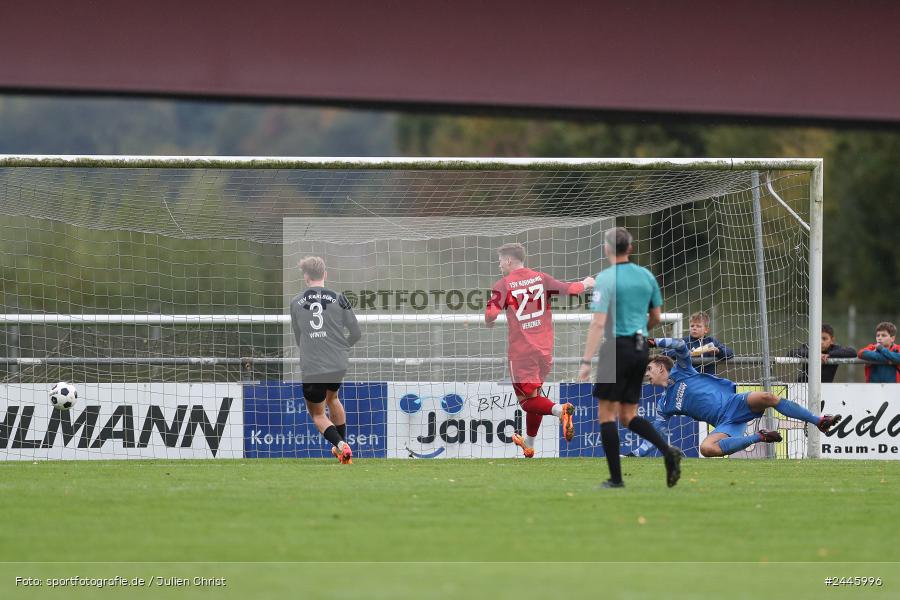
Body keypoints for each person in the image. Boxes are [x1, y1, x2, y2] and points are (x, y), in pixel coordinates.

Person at [577, 227, 683, 488]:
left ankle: (616, 479)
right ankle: (668, 451)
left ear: (606, 249)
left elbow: (598, 323)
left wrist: (586, 361)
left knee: (606, 414)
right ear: (630, 249)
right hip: (640, 348)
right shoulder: (646, 276)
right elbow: (656, 316)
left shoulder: (606, 278)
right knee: (628, 415)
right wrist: (640, 334)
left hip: (616, 347)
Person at [644, 338, 842, 457]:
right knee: (706, 449)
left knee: (767, 396)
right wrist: (635, 453)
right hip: (725, 423)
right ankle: (760, 436)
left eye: (649, 369)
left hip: (736, 403)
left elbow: (679, 345)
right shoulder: (663, 404)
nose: (646, 374)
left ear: (661, 368)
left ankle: (819, 421)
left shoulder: (683, 370)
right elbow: (655, 432)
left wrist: (654, 342)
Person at [485, 242, 594, 457]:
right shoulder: (541, 278)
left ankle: (560, 410)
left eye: (500, 261)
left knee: (527, 403)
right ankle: (529, 443)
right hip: (545, 350)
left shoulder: (503, 284)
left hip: (522, 352)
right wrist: (587, 282)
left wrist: (488, 319)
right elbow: (571, 290)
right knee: (535, 396)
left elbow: (491, 314)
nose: (499, 265)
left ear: (508, 260)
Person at [289, 256, 362, 464]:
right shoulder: (339, 297)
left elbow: (298, 337)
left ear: (306, 277)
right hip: (337, 363)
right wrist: (342, 347)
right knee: (333, 399)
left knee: (318, 415)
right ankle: (343, 448)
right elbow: (356, 333)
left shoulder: (295, 302)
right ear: (325, 275)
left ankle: (340, 445)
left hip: (313, 365)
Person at [663, 311, 733, 375]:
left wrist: (718, 351)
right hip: (689, 381)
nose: (694, 328)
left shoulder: (711, 341)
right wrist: (684, 352)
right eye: (692, 326)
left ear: (706, 330)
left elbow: (730, 352)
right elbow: (665, 352)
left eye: (698, 326)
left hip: (709, 381)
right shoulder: (683, 341)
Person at [787, 323, 856, 383]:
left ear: (832, 340)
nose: (821, 342)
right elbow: (791, 353)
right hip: (802, 387)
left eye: (824, 339)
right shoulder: (808, 347)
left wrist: (829, 355)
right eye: (818, 338)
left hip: (826, 389)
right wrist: (815, 355)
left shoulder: (835, 349)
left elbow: (852, 352)